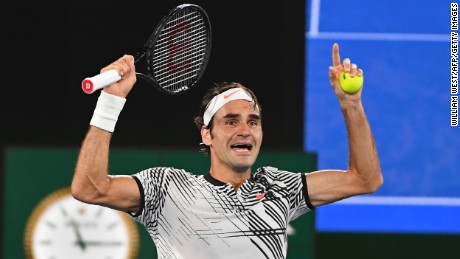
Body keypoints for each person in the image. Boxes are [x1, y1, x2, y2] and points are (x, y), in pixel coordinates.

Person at [72, 43, 383, 259]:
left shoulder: (280, 189)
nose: (244, 130)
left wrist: (350, 103)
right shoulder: (166, 188)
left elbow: (364, 179)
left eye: (253, 122)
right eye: (231, 121)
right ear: (207, 135)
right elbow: (90, 188)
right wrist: (111, 100)